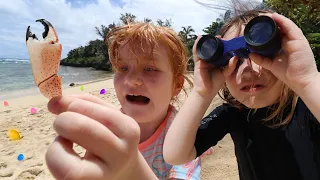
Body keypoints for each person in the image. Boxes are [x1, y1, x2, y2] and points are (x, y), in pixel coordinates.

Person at [163, 10, 320, 180]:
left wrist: (307, 80)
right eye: (235, 62)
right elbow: (175, 155)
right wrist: (201, 93)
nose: (247, 70)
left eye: (262, 55)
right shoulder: (232, 113)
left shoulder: (307, 104)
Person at [45, 22, 212, 180]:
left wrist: (132, 169)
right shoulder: (108, 126)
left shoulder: (182, 134)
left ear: (176, 85)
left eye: (150, 69)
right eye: (123, 68)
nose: (131, 80)